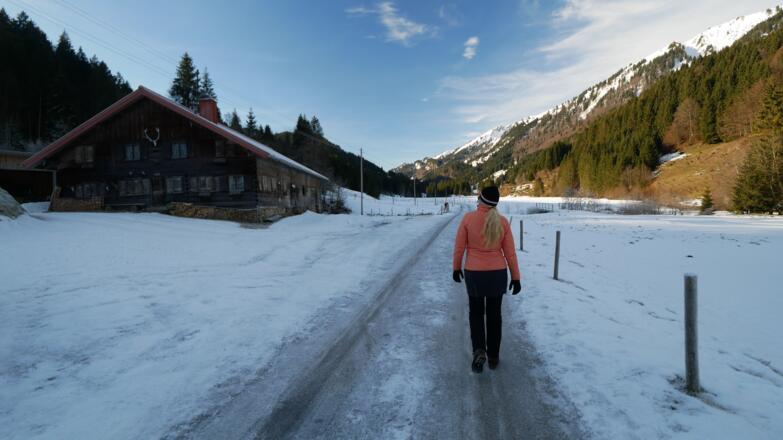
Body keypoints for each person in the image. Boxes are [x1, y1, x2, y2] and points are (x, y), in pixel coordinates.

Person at [452, 186, 521, 373]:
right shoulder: (503, 222)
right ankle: (493, 357)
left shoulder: (468, 219)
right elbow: (510, 254)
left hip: (474, 274)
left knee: (476, 314)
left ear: (481, 200)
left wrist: (456, 267)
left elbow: (459, 248)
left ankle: (479, 351)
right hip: (497, 274)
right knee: (494, 316)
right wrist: (516, 277)